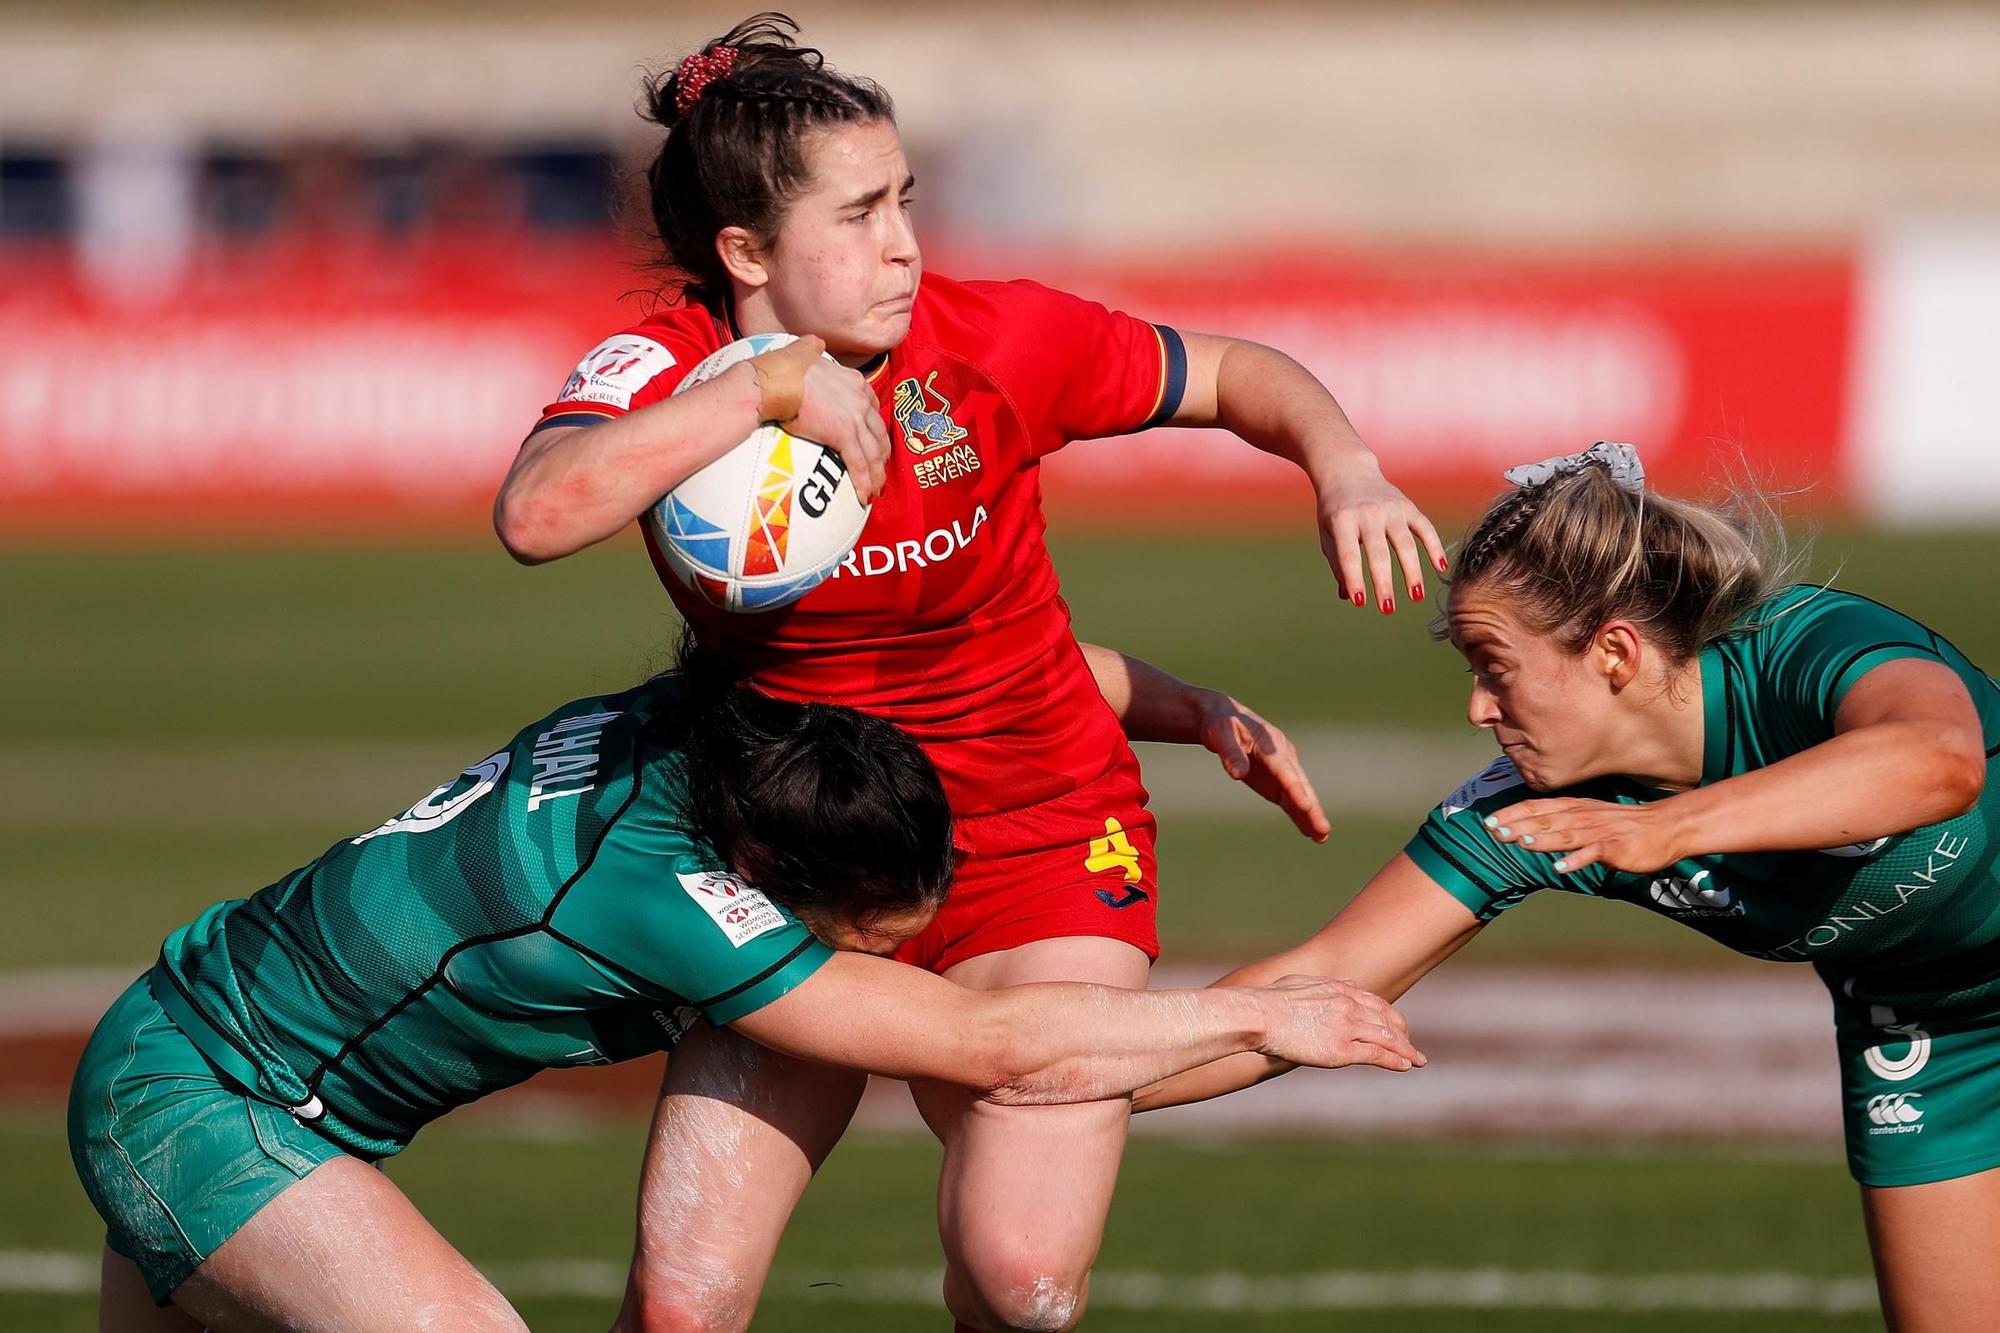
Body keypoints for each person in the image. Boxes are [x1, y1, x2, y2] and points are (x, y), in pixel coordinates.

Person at [491, 14, 1443, 1331]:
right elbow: (537, 515)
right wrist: (767, 391)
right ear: (746, 252)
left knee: (1022, 1282)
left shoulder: (993, 338)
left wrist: (1344, 465)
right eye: (863, 212)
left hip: (1039, 840)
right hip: (802, 863)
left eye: (908, 201)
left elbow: (1237, 373)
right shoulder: (668, 371)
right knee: (679, 1307)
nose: (905, 244)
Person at [67, 647, 1422, 1333]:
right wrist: (1256, 1012)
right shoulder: (659, 900)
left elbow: (974, 672)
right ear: (770, 876)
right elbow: (987, 1039)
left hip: (219, 1044)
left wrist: (1174, 705)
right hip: (204, 1100)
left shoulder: (715, 717)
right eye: (870, 937)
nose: (887, 957)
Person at [1135, 442, 2000, 1333]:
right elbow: (1319, 979)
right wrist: (1062, 1082)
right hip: (1921, 1028)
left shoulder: (1801, 646)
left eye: (1493, 663)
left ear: (1615, 653)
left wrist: (1669, 827)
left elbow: (1938, 760)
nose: (1476, 706)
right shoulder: (1537, 809)